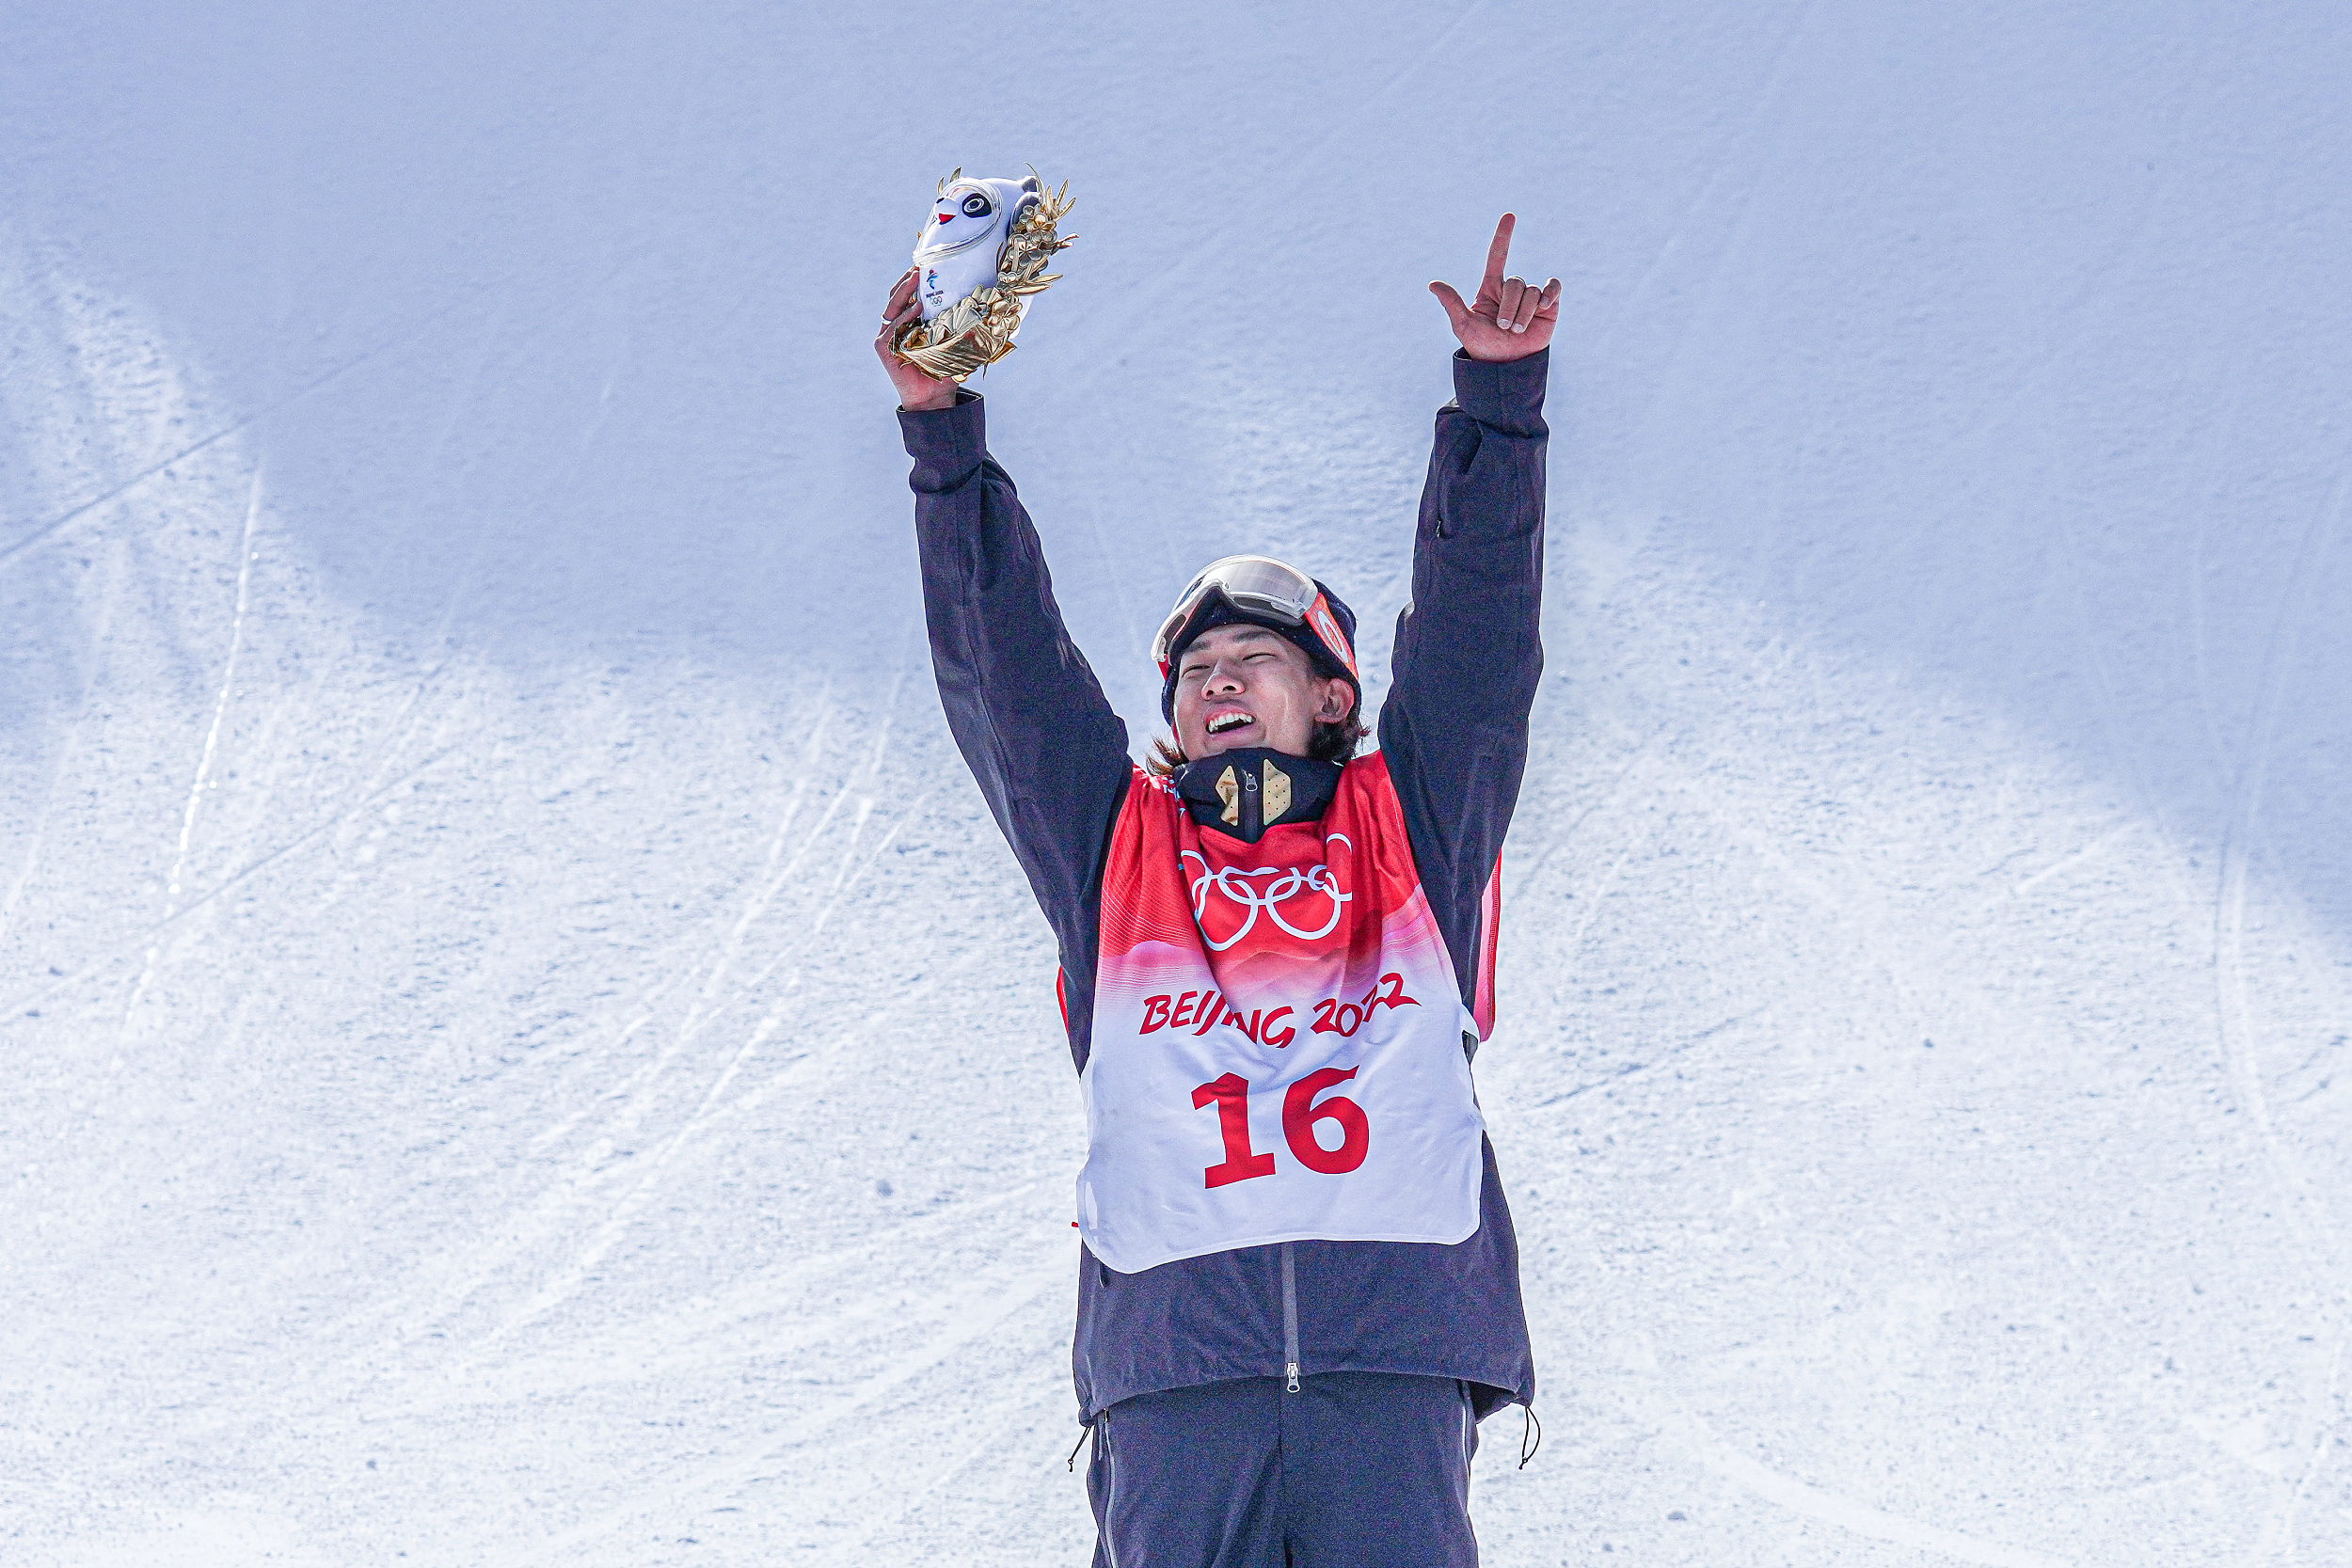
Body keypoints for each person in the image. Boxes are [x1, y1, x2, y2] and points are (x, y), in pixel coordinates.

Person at [876, 214, 1558, 1568]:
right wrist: (942, 434)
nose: (1223, 680)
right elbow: (1006, 682)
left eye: (1257, 658)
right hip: (1178, 1383)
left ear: (1335, 699)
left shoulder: (1408, 833)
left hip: (1390, 1370)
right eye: (1198, 672)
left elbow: (1480, 649)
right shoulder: (1116, 856)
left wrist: (1498, 410)